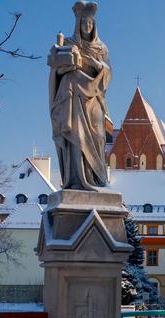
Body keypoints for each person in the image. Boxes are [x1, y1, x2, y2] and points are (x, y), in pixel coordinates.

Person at [48, 1, 112, 191]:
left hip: (94, 100)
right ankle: (77, 180)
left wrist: (99, 65)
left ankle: (97, 179)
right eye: (84, 23)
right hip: (73, 99)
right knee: (76, 138)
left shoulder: (102, 49)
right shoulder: (69, 44)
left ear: (95, 26)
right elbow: (56, 73)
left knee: (98, 137)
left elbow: (108, 75)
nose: (87, 26)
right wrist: (67, 66)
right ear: (78, 24)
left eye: (90, 23)